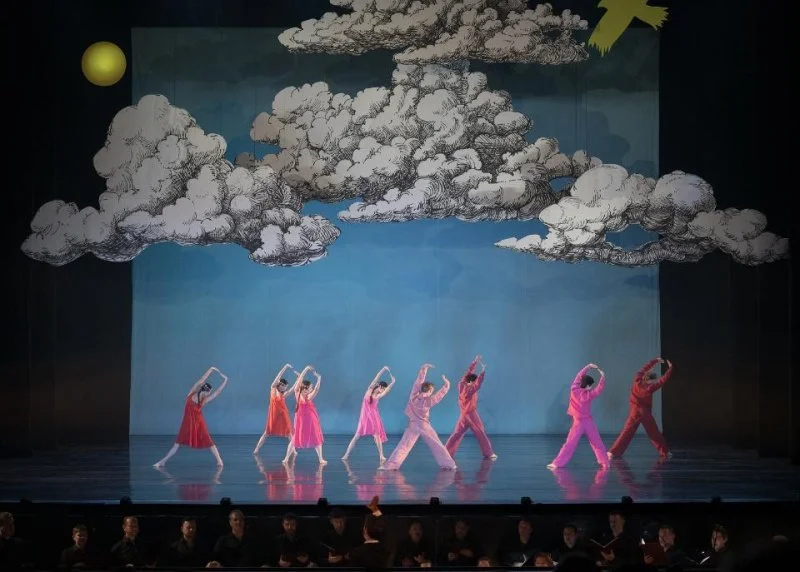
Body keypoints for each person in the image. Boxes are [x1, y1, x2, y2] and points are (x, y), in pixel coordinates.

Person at [379, 364, 457, 471]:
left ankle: (390, 466)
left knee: (403, 446)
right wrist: (447, 385)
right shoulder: (429, 401)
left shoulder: (413, 396)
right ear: (429, 391)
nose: (432, 392)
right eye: (432, 391)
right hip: (424, 426)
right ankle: (449, 464)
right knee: (437, 445)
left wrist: (424, 369)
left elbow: (418, 382)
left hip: (413, 425)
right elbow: (439, 395)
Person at [154, 366, 228, 467]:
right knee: (207, 442)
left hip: (196, 423)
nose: (209, 394)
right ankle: (163, 461)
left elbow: (202, 379)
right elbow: (217, 392)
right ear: (206, 392)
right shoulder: (203, 400)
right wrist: (225, 380)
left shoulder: (192, 393)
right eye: (209, 392)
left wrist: (211, 369)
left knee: (179, 444)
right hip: (192, 423)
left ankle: (220, 461)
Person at [608, 358, 674, 460]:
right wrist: (670, 368)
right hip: (645, 413)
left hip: (634, 412)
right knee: (654, 433)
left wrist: (655, 361)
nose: (653, 382)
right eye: (652, 381)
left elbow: (644, 368)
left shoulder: (637, 379)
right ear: (650, 380)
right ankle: (665, 452)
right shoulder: (649, 388)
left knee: (626, 433)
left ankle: (612, 452)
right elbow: (662, 380)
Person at [548, 363, 609, 469]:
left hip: (578, 422)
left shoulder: (574, 389)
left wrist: (588, 366)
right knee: (597, 442)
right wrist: (602, 377)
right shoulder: (589, 394)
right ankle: (605, 462)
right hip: (588, 422)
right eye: (591, 385)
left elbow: (579, 376)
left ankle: (557, 463)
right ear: (587, 385)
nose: (591, 387)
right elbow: (599, 389)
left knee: (570, 443)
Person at [445, 355, 496, 460]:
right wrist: (483, 372)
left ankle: (446, 452)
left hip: (464, 414)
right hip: (471, 414)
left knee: (457, 434)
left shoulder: (461, 384)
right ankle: (488, 453)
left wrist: (475, 362)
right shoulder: (469, 390)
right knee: (480, 432)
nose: (474, 383)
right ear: (471, 382)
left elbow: (468, 373)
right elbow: (477, 385)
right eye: (474, 382)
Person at [342, 366, 396, 464]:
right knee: (356, 436)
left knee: (377, 436)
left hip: (374, 417)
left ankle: (381, 455)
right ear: (379, 386)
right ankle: (346, 454)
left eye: (384, 389)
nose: (383, 390)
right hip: (364, 417)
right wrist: (383, 369)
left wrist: (392, 382)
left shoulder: (378, 395)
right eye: (382, 388)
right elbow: (376, 378)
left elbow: (387, 391)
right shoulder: (370, 389)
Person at [283, 365, 326, 465]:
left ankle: (320, 458)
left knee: (315, 438)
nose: (312, 389)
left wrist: (318, 378)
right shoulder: (299, 393)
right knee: (295, 439)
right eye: (310, 387)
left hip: (310, 419)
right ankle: (286, 458)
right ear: (306, 388)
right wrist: (307, 369)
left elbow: (316, 389)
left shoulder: (307, 396)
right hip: (302, 420)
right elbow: (300, 381)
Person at [254, 363, 297, 455]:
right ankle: (257, 449)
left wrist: (299, 378)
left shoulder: (283, 394)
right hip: (273, 415)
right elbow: (278, 377)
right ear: (280, 385)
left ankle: (293, 450)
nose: (285, 388)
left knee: (289, 433)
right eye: (284, 386)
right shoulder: (273, 388)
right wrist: (285, 367)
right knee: (266, 433)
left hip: (283, 415)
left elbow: (293, 389)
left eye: (286, 387)